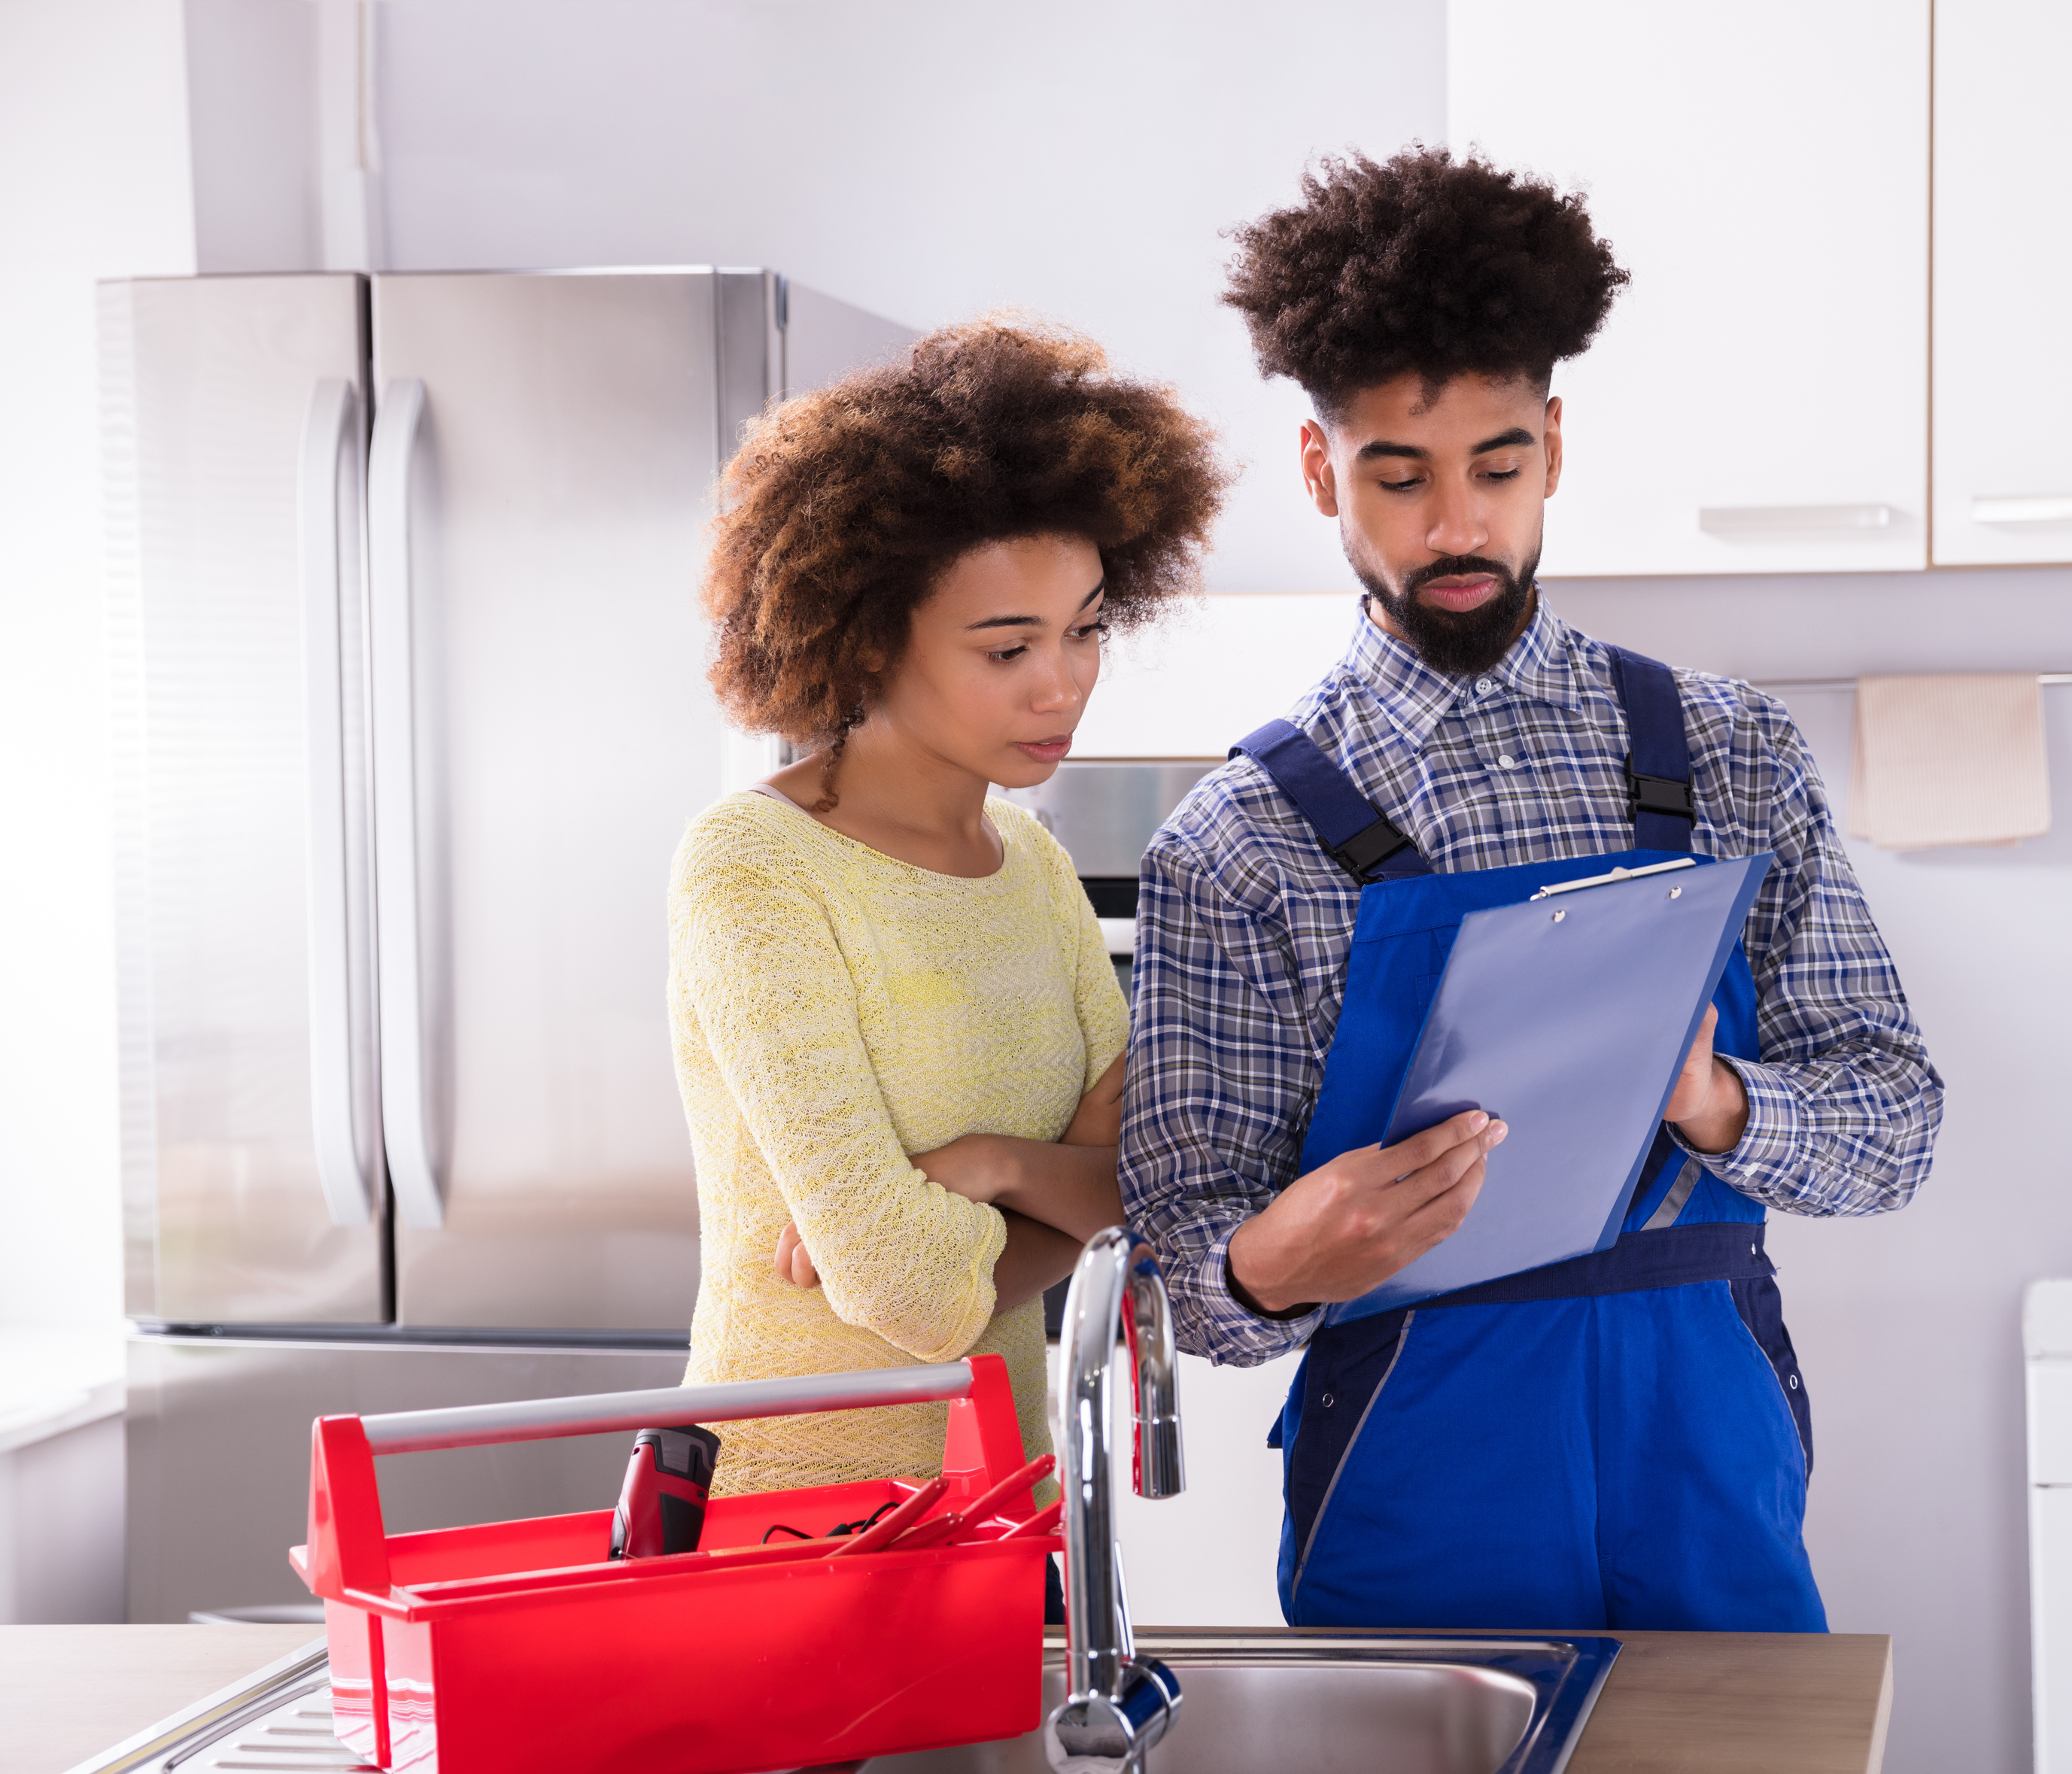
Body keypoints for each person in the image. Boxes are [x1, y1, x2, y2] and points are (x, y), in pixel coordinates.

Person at [1120, 149, 1946, 1634]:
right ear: (1319, 470)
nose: (1456, 526)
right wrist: (1271, 1256)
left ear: (1555, 445)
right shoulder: (1239, 842)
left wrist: (1721, 1104)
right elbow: (1184, 1277)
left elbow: (1895, 1125)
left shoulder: (1727, 751)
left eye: (1496, 467)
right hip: (1418, 1464)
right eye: (1399, 474)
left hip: (1705, 1437)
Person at [676, 314, 1228, 1495]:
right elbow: (906, 1293)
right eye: (1005, 647)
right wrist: (1050, 1182)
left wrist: (989, 1164)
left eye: (1085, 631)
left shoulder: (1030, 863)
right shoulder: (754, 868)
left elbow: (1148, 1180)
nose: (1064, 682)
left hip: (1009, 1505)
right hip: (798, 1518)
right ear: (871, 638)